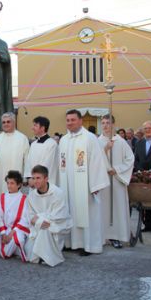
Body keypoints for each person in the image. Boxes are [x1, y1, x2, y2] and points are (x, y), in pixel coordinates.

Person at [58, 109, 110, 256]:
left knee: (87, 214)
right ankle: (71, 242)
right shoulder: (63, 140)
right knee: (69, 212)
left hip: (85, 186)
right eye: (68, 120)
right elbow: (60, 164)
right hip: (67, 184)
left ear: (80, 121)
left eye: (73, 120)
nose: (70, 123)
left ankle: (88, 245)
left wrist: (95, 185)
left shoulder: (89, 138)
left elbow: (97, 162)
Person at [98, 115, 134, 248]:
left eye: (108, 123)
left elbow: (130, 159)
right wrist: (106, 149)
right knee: (103, 208)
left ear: (113, 124)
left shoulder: (121, 141)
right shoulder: (98, 141)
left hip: (117, 180)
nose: (105, 126)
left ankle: (117, 236)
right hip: (103, 181)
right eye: (103, 123)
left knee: (117, 208)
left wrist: (117, 170)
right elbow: (94, 159)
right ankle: (102, 236)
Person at [25, 165, 72, 266]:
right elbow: (30, 216)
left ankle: (48, 257)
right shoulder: (31, 196)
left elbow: (59, 215)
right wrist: (39, 221)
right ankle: (42, 255)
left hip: (55, 226)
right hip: (38, 226)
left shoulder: (58, 193)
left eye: (38, 178)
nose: (35, 181)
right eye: (33, 178)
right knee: (29, 253)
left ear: (46, 179)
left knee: (45, 230)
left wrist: (39, 218)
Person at [0, 112, 29, 196]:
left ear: (14, 122)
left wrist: (26, 178)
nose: (6, 124)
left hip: (16, 177)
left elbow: (27, 159)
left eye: (8, 122)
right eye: (3, 122)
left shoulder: (22, 138)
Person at [0, 170, 30, 261]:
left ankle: (18, 245)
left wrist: (12, 233)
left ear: (19, 185)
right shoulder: (2, 197)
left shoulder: (24, 198)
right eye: (8, 183)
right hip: (5, 229)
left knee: (18, 239)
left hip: (18, 229)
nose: (9, 186)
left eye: (12, 183)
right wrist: (3, 234)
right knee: (5, 254)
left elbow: (24, 218)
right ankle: (17, 248)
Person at [24, 116, 59, 186]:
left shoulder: (52, 144)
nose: (32, 128)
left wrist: (36, 179)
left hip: (45, 183)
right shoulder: (33, 144)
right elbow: (28, 162)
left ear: (42, 128)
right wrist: (29, 178)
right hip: (33, 181)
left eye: (35, 125)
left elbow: (48, 164)